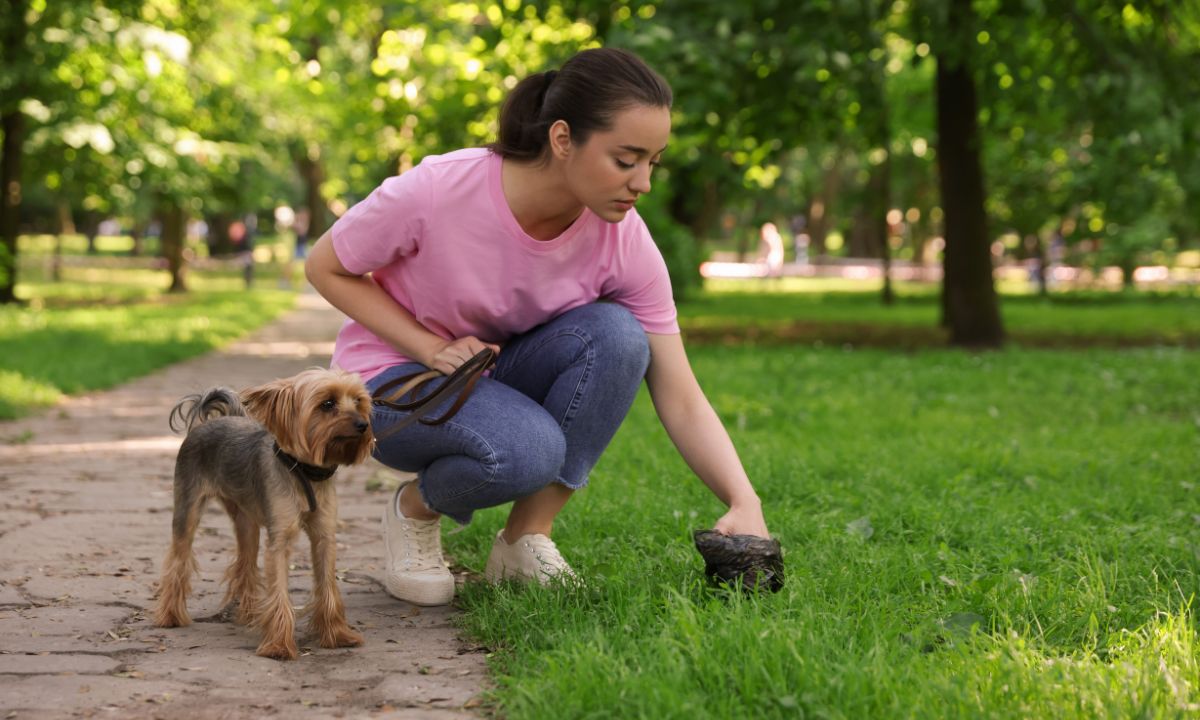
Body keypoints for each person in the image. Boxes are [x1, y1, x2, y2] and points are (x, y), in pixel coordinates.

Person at [305, 47, 771, 607]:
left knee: (621, 337)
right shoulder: (439, 189)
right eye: (626, 160)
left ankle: (525, 536)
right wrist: (430, 347)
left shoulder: (623, 240)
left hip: (490, 379)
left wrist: (745, 501)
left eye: (654, 162)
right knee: (527, 450)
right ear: (562, 139)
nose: (643, 182)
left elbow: (680, 391)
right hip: (390, 384)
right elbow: (325, 265)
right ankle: (415, 510)